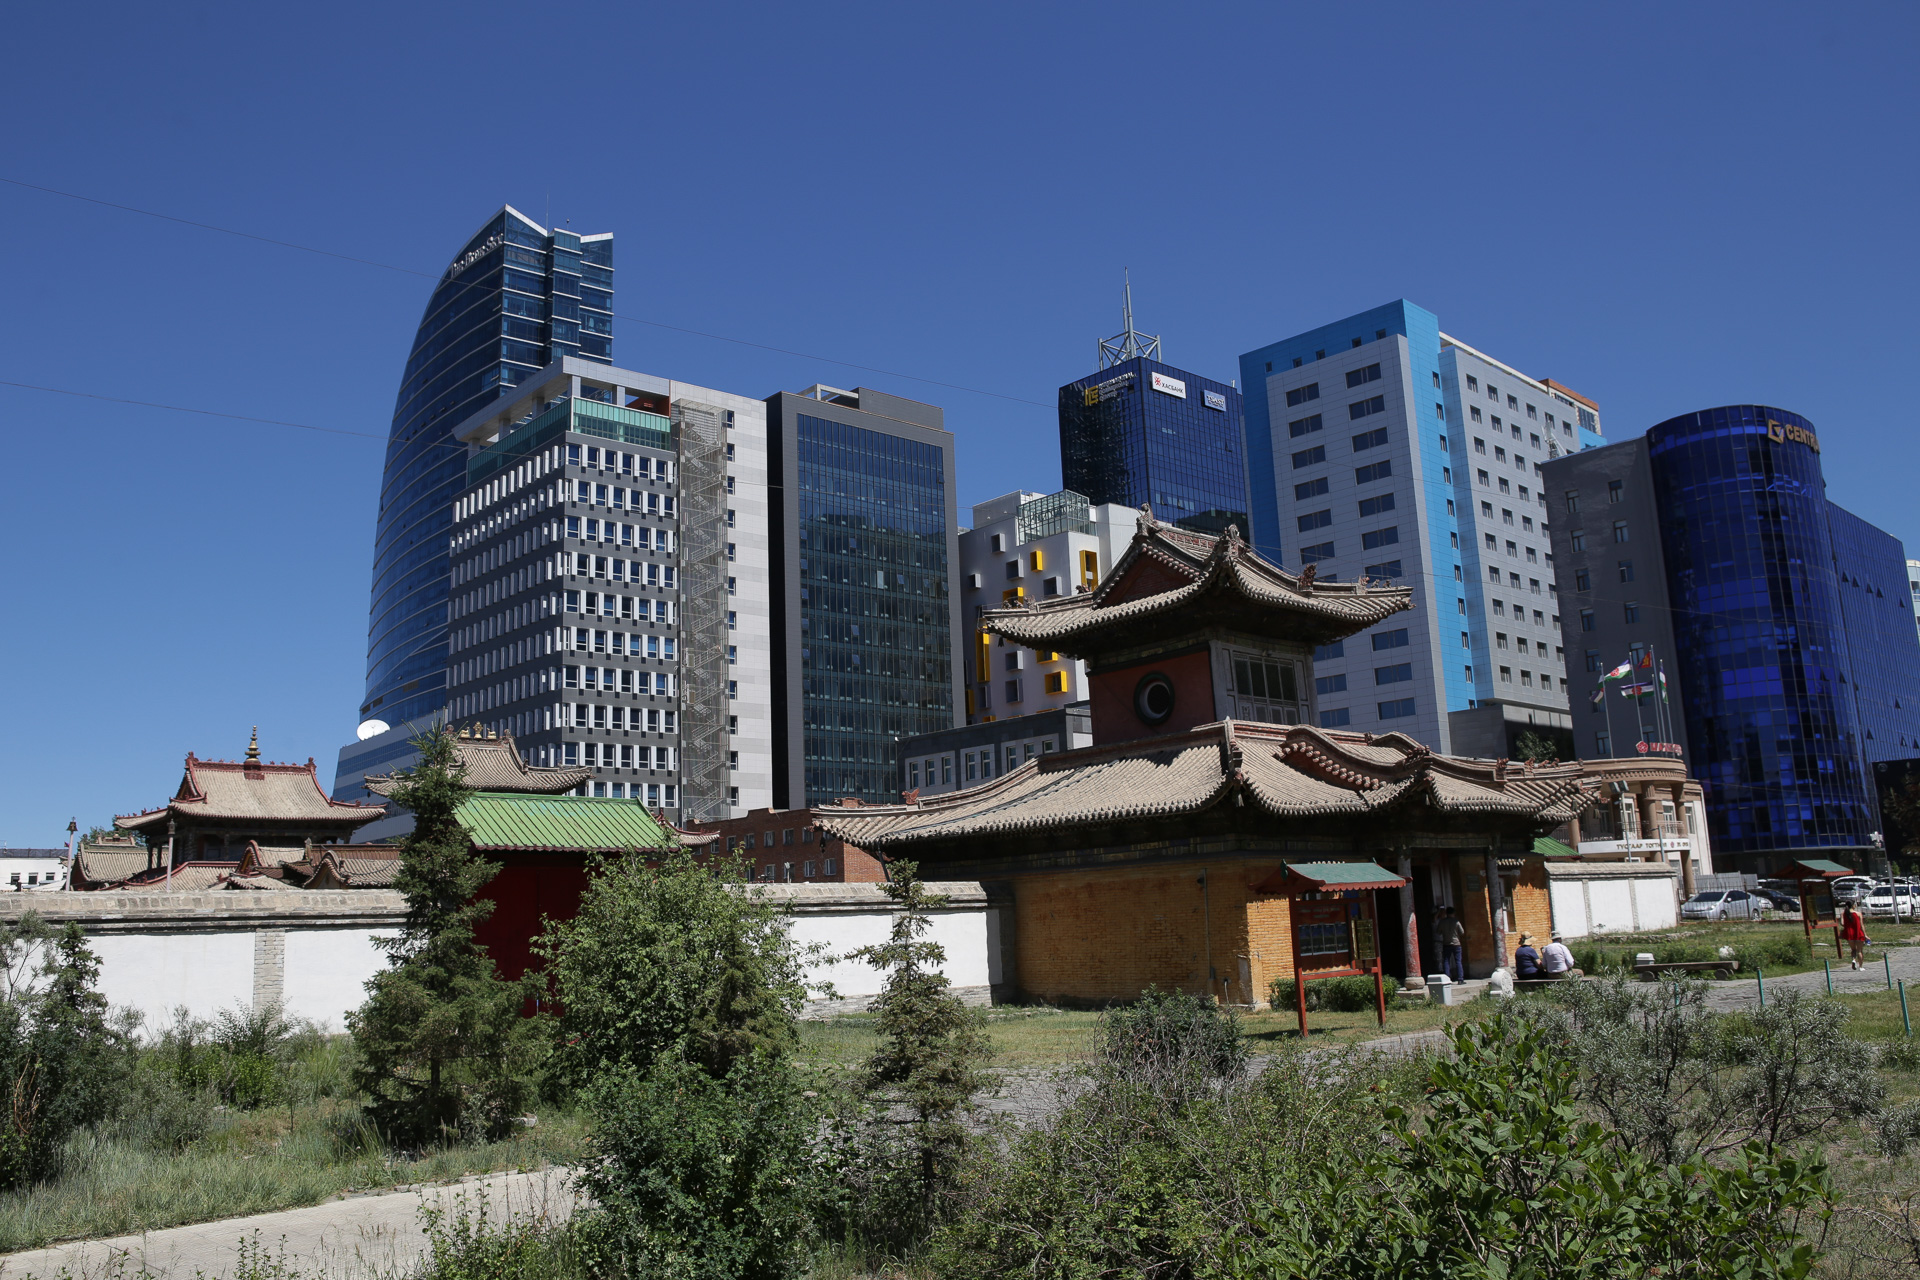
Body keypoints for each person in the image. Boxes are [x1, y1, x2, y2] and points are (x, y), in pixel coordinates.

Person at [1437, 907, 1466, 982]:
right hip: (1456, 943)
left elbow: (1438, 932)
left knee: (1446, 961)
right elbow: (1462, 932)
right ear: (1454, 913)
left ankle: (1447, 978)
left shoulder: (1442, 922)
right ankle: (1460, 979)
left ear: (1446, 913)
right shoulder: (1456, 921)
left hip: (1446, 943)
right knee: (1458, 961)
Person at [1840, 903, 1869, 970]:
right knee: (1859, 951)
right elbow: (1862, 925)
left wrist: (1847, 926)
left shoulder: (1844, 913)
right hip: (1858, 933)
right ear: (1853, 905)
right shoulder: (1858, 914)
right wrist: (1865, 935)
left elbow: (1842, 923)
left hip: (1849, 933)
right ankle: (1861, 967)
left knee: (1853, 949)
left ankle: (1853, 959)